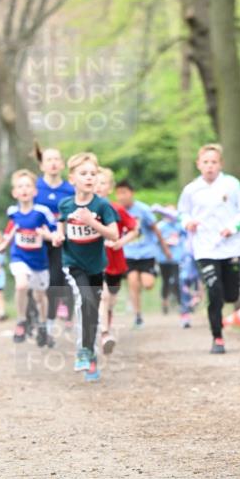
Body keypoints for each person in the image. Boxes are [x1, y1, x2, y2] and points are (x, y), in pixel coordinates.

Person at [178, 143, 240, 353]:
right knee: (214, 291)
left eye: (214, 162)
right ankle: (217, 337)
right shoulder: (191, 189)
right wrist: (188, 223)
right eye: (206, 162)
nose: (210, 166)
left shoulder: (232, 184)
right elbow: (182, 212)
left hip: (230, 247)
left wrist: (233, 227)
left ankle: (227, 299)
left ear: (220, 164)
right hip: (204, 248)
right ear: (198, 164)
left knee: (230, 295)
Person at [54, 152, 118, 382]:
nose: (89, 177)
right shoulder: (66, 204)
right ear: (72, 178)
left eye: (93, 173)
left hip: (96, 266)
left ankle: (90, 356)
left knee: (92, 310)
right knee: (85, 300)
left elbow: (113, 234)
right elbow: (61, 225)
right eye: (83, 173)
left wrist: (92, 222)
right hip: (73, 264)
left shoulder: (102, 205)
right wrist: (58, 236)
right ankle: (82, 351)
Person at [0, 170, 56, 345]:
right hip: (19, 256)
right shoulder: (12, 211)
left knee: (40, 296)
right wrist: (3, 245)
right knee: (21, 285)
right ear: (14, 192)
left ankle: (43, 326)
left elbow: (54, 232)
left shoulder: (42, 211)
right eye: (20, 186)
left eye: (28, 186)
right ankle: (21, 320)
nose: (24, 189)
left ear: (35, 191)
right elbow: (11, 229)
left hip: (39, 260)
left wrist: (47, 235)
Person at [114, 180, 171, 328]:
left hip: (146, 253)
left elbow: (155, 229)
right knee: (133, 282)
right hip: (128, 253)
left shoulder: (143, 210)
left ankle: (149, 276)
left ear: (131, 193)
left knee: (148, 284)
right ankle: (138, 316)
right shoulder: (116, 210)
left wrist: (165, 248)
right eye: (118, 193)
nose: (121, 196)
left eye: (124, 193)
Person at [95, 168, 139, 356]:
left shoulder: (116, 209)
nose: (98, 186)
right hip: (95, 262)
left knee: (111, 299)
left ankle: (106, 321)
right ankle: (105, 334)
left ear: (110, 188)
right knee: (103, 296)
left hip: (115, 262)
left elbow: (134, 229)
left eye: (103, 183)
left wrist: (121, 242)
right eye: (95, 182)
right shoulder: (84, 210)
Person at [33, 145, 75, 330]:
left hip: (62, 240)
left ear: (62, 164)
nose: (53, 163)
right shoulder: (34, 188)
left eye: (56, 159)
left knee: (61, 278)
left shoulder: (70, 189)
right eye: (49, 160)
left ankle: (62, 313)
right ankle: (39, 316)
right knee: (41, 282)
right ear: (42, 165)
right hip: (39, 241)